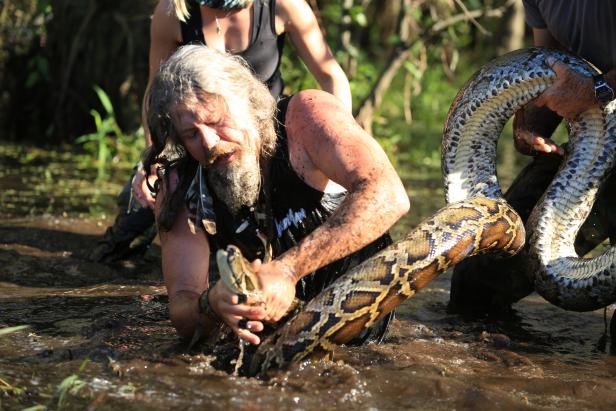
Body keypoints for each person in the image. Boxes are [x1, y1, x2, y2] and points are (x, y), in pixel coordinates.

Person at [142, 44, 409, 345]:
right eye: (191, 134)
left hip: (364, 317)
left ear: (244, 100)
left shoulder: (306, 117)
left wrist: (288, 270)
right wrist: (213, 304)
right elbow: (182, 305)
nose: (209, 143)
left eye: (217, 121)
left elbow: (388, 193)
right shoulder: (179, 185)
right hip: (275, 338)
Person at [90, 0, 352, 263]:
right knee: (135, 216)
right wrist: (153, 157)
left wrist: (339, 137)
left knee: (284, 228)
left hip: (262, 140)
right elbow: (153, 93)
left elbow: (331, 75)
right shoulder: (172, 12)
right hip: (199, 143)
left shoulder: (282, 5)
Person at [448, 0, 616, 315]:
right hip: (594, 138)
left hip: (599, 109)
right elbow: (549, 64)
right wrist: (528, 125)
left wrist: (596, 90)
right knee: (476, 286)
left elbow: (585, 89)